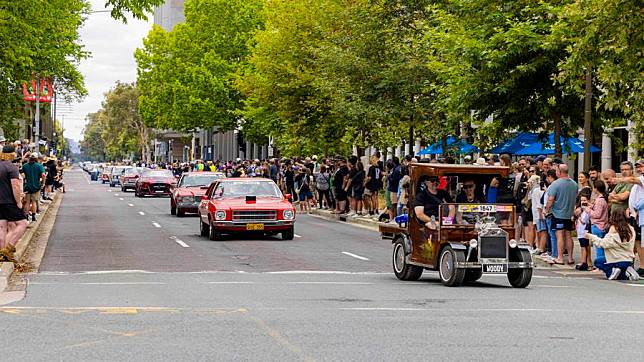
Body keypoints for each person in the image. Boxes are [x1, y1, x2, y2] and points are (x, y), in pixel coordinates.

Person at [585, 207, 639, 280]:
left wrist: (590, 236)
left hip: (615, 260)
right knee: (621, 275)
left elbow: (603, 243)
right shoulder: (631, 229)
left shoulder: (614, 228)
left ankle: (612, 271)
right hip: (628, 260)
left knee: (598, 261)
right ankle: (626, 272)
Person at [615, 159, 644, 277]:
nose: (639, 169)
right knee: (636, 241)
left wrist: (617, 179)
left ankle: (642, 266)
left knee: (640, 241)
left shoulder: (640, 180)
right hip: (635, 215)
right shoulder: (638, 181)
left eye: (641, 166)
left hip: (640, 215)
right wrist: (630, 208)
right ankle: (633, 264)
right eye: (638, 167)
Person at [544, 164, 578, 265]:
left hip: (558, 214)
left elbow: (550, 199)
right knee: (568, 235)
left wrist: (547, 209)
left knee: (559, 235)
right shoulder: (574, 184)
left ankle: (560, 258)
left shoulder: (555, 184)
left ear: (559, 172)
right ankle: (571, 258)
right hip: (569, 214)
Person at [0, 145, 28, 262]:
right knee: (22, 224)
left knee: (2, 227)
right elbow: (15, 186)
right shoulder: (11, 168)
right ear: (12, 154)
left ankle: (2, 255)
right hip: (9, 201)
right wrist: (18, 202)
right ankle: (8, 248)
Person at [21, 152, 46, 222]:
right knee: (34, 202)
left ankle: (26, 217)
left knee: (27, 202)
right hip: (36, 186)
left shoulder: (25, 166)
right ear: (36, 159)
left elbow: (21, 174)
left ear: (29, 159)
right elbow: (43, 175)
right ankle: (33, 217)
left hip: (27, 186)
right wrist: (43, 183)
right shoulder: (39, 166)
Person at [574, 192, 592, 270]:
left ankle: (584, 262)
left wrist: (584, 210)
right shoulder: (581, 209)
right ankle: (583, 261)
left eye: (585, 200)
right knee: (582, 246)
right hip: (580, 231)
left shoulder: (588, 210)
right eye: (582, 200)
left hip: (584, 230)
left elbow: (584, 220)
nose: (583, 202)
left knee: (584, 246)